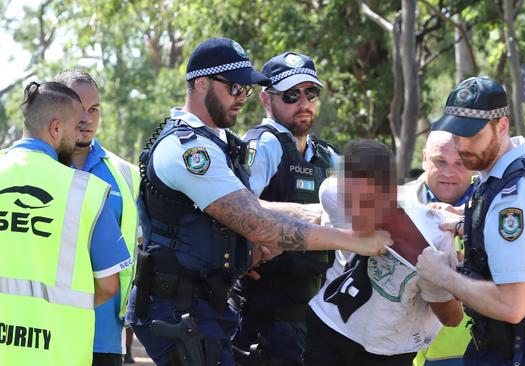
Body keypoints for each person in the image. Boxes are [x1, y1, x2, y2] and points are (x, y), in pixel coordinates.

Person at [124, 38, 391, 366]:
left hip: (207, 307)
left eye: (245, 89)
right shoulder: (189, 150)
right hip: (177, 310)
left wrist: (323, 213)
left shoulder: (220, 143)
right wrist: (355, 240)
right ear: (201, 83)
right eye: (234, 87)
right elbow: (257, 222)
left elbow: (252, 206)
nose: (241, 97)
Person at [416, 76, 525, 365]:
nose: (461, 145)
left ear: (501, 126)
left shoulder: (517, 196)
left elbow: (513, 304)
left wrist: (443, 276)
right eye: (455, 134)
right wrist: (465, 224)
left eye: (471, 134)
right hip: (505, 347)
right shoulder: (499, 179)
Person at [0, 81, 132, 365]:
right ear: (56, 128)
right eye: (74, 129)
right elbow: (109, 286)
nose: (77, 139)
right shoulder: (87, 191)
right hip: (58, 351)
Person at [304, 139, 463, 366]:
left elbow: (452, 318)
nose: (355, 211)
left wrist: (434, 279)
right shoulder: (332, 193)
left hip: (388, 351)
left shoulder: (433, 238)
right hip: (329, 325)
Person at [233, 51, 338, 366]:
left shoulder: (327, 155)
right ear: (267, 100)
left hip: (313, 315)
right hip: (264, 319)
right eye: (291, 95)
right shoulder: (264, 145)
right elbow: (237, 209)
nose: (303, 102)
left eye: (311, 93)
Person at [54, 69, 141, 366]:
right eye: (78, 108)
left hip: (104, 337)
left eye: (94, 109)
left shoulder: (126, 175)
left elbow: (142, 246)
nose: (86, 119)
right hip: (43, 334)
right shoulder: (34, 169)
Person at [403, 130, 474, 366]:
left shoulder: (497, 206)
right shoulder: (398, 206)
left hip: (482, 353)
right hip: (406, 354)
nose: (449, 172)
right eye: (439, 161)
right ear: (424, 158)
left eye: (460, 163)